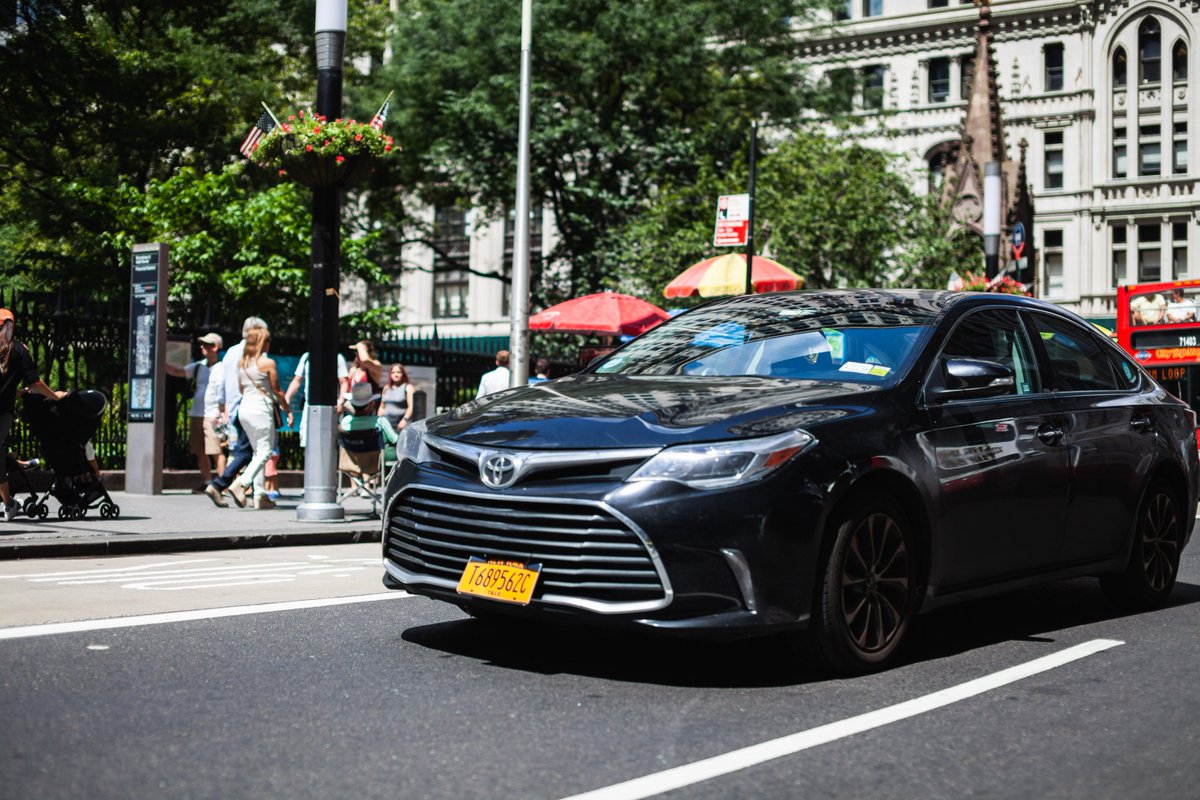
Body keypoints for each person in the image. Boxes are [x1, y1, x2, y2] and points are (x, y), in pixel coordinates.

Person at [0, 308, 67, 521]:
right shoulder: (19, 350)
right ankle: (8, 502)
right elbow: (35, 382)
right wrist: (55, 396)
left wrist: (14, 389)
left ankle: (9, 502)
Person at [205, 316, 268, 508]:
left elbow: (226, 382)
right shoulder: (254, 354)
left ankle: (237, 489)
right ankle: (252, 492)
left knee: (242, 450)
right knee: (258, 450)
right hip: (251, 407)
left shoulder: (231, 352)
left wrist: (225, 408)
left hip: (234, 409)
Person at [228, 328, 292, 510]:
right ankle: (242, 483)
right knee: (265, 451)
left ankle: (259, 495)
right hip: (261, 410)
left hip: (245, 409)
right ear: (260, 342)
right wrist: (287, 411)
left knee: (258, 452)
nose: (270, 342)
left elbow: (241, 389)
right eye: (268, 339)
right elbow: (278, 390)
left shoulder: (242, 364)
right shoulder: (267, 363)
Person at [165, 332, 222, 490]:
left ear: (215, 347)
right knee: (200, 450)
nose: (202, 347)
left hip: (212, 414)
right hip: (197, 413)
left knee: (216, 451)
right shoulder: (198, 366)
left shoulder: (222, 368)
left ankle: (222, 484)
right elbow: (178, 372)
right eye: (202, 344)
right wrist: (159, 361)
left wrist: (223, 413)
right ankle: (208, 483)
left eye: (207, 345)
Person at [284, 349, 349, 449]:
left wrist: (340, 402)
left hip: (332, 407)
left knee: (330, 444)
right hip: (309, 407)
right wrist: (286, 398)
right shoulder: (306, 357)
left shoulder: (337, 357)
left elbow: (343, 382)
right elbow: (297, 380)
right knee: (307, 442)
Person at [340, 382, 399, 462]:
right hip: (376, 463)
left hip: (353, 463)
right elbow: (395, 440)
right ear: (370, 404)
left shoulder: (345, 422)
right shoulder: (380, 422)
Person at [342, 340, 384, 413]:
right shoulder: (353, 370)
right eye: (356, 352)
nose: (357, 354)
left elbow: (365, 360)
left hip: (368, 413)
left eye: (359, 351)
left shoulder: (376, 368)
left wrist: (360, 346)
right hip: (351, 411)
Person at [380, 363, 415, 430]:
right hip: (385, 426)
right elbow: (382, 407)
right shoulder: (386, 388)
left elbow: (411, 406)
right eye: (393, 372)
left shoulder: (408, 387)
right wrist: (379, 420)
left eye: (398, 372)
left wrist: (405, 420)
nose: (395, 375)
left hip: (400, 426)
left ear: (403, 374)